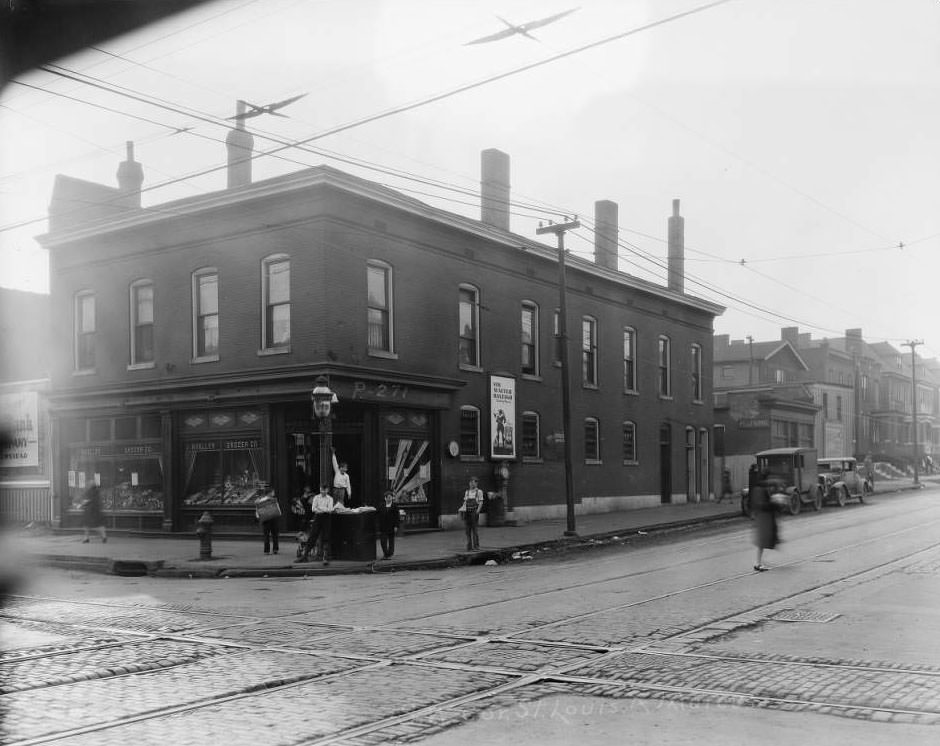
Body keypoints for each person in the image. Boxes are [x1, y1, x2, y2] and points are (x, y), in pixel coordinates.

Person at [296, 483, 334, 565]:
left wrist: (320, 508)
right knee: (313, 536)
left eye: (325, 490)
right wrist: (324, 509)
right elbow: (313, 509)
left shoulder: (330, 499)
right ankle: (305, 556)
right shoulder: (316, 497)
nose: (323, 491)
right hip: (318, 518)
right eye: (322, 489)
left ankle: (325, 558)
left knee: (326, 537)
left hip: (326, 518)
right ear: (320, 489)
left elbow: (330, 509)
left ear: (328, 490)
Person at [751, 473, 778, 571]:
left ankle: (759, 562)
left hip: (759, 516)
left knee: (762, 542)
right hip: (764, 517)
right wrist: (774, 503)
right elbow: (765, 504)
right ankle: (758, 563)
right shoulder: (763, 490)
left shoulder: (756, 489)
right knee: (762, 541)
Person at [458, 476, 483, 551]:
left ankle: (476, 546)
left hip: (474, 511)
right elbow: (465, 502)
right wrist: (462, 509)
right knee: (467, 530)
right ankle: (469, 546)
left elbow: (481, 502)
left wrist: (478, 511)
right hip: (467, 512)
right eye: (470, 482)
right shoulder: (467, 492)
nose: (471, 484)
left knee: (474, 529)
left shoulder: (479, 492)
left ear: (476, 483)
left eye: (473, 482)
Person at [377, 490, 401, 560]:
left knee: (391, 541)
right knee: (383, 541)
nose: (389, 499)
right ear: (385, 498)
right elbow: (377, 512)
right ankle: (386, 553)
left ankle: (390, 553)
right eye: (388, 497)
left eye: (391, 497)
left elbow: (397, 517)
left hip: (391, 526)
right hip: (383, 526)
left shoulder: (394, 506)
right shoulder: (381, 505)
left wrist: (396, 526)